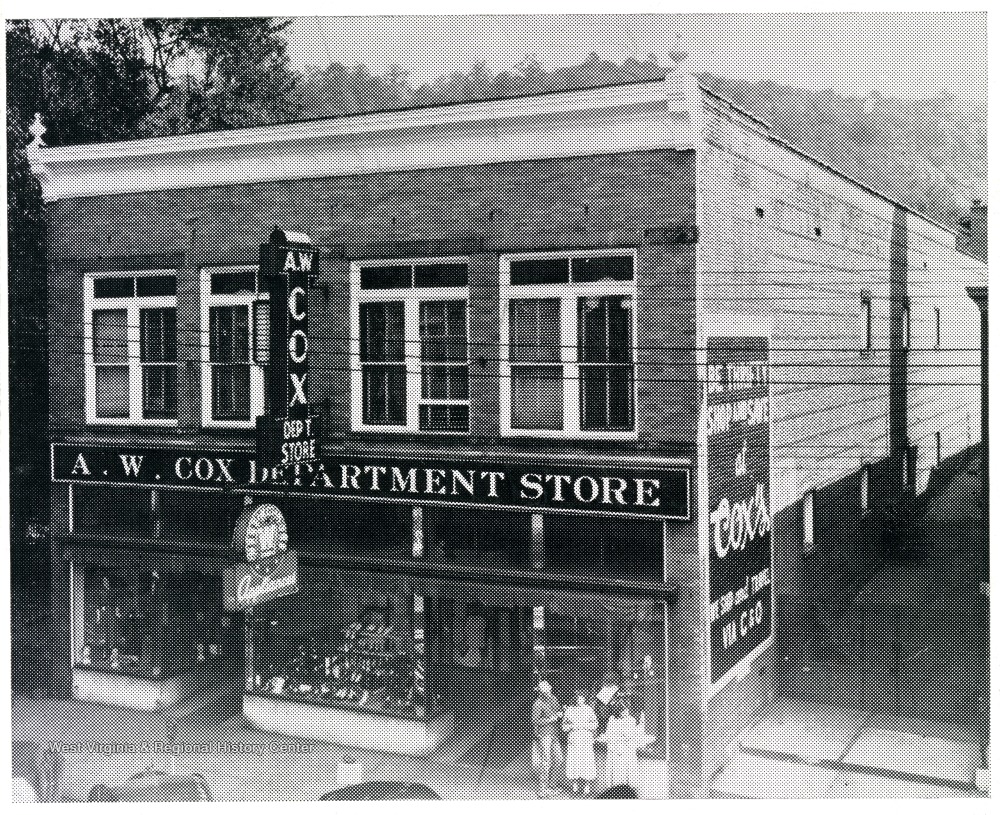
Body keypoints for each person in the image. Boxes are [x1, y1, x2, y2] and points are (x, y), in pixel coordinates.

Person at [531, 680, 563, 797]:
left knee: (559, 759)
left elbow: (558, 711)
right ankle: (542, 790)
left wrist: (560, 713)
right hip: (544, 735)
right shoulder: (538, 704)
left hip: (554, 733)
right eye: (546, 690)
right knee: (546, 761)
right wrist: (551, 719)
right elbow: (535, 721)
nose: (549, 691)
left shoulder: (553, 698)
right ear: (541, 692)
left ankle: (552, 786)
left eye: (549, 688)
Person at [562, 693, 598, 796]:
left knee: (586, 761)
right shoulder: (569, 710)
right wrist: (571, 726)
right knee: (574, 761)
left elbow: (595, 723)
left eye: (582, 698)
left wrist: (586, 725)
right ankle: (575, 786)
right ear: (575, 699)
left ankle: (587, 786)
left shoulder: (588, 709)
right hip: (574, 739)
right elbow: (564, 726)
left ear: (584, 699)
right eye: (578, 699)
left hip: (586, 739)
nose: (580, 701)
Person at [598, 701, 640, 790]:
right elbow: (609, 734)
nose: (626, 712)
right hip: (614, 748)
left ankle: (628, 788)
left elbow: (632, 735)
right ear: (618, 711)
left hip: (627, 748)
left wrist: (626, 736)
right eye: (623, 711)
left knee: (627, 769)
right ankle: (615, 788)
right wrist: (604, 738)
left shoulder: (631, 720)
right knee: (616, 769)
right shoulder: (612, 720)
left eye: (627, 710)